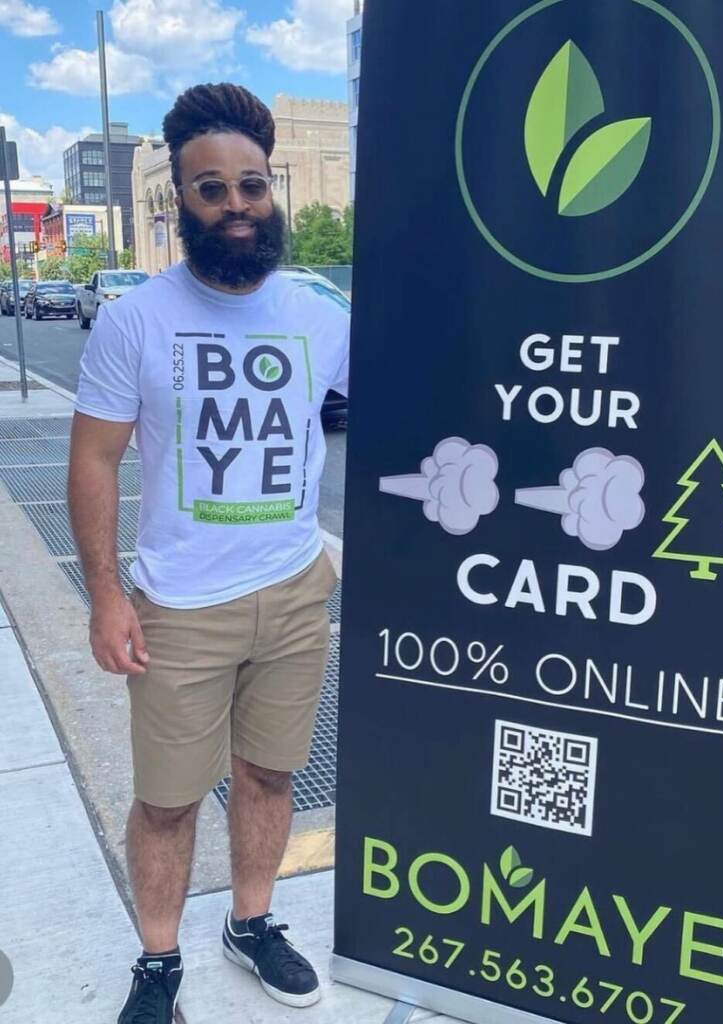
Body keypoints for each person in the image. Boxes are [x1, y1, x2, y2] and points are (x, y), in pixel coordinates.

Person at [67, 82, 349, 1024]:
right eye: (212, 189)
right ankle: (157, 964)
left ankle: (252, 923)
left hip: (295, 592)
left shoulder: (320, 312)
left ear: (274, 193)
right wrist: (107, 598)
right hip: (179, 606)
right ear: (180, 202)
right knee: (170, 802)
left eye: (252, 186)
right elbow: (95, 463)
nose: (237, 205)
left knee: (271, 775)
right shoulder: (135, 318)